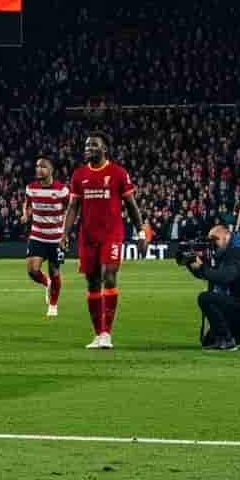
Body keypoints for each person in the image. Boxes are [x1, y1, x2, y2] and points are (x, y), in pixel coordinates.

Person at [60, 132, 148, 349]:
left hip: (112, 235)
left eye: (94, 145)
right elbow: (73, 207)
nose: (88, 148)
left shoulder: (118, 173)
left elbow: (131, 205)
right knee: (92, 283)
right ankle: (98, 334)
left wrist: (141, 232)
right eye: (87, 145)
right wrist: (64, 233)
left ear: (104, 149)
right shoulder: (79, 175)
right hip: (88, 236)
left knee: (109, 276)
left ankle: (107, 333)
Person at [186, 225, 240, 351]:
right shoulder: (227, 251)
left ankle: (228, 341)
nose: (212, 244)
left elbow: (226, 277)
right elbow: (212, 275)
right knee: (208, 341)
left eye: (215, 240)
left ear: (226, 237)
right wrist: (191, 265)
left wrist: (201, 267)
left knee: (205, 298)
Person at [21, 155, 70, 318]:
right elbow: (27, 203)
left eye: (42, 166)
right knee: (32, 270)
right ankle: (47, 284)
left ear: (51, 170)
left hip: (56, 238)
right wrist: (26, 214)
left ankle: (53, 306)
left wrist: (66, 233)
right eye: (37, 166)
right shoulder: (31, 188)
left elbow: (71, 210)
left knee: (54, 270)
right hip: (37, 236)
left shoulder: (61, 190)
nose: (38, 169)